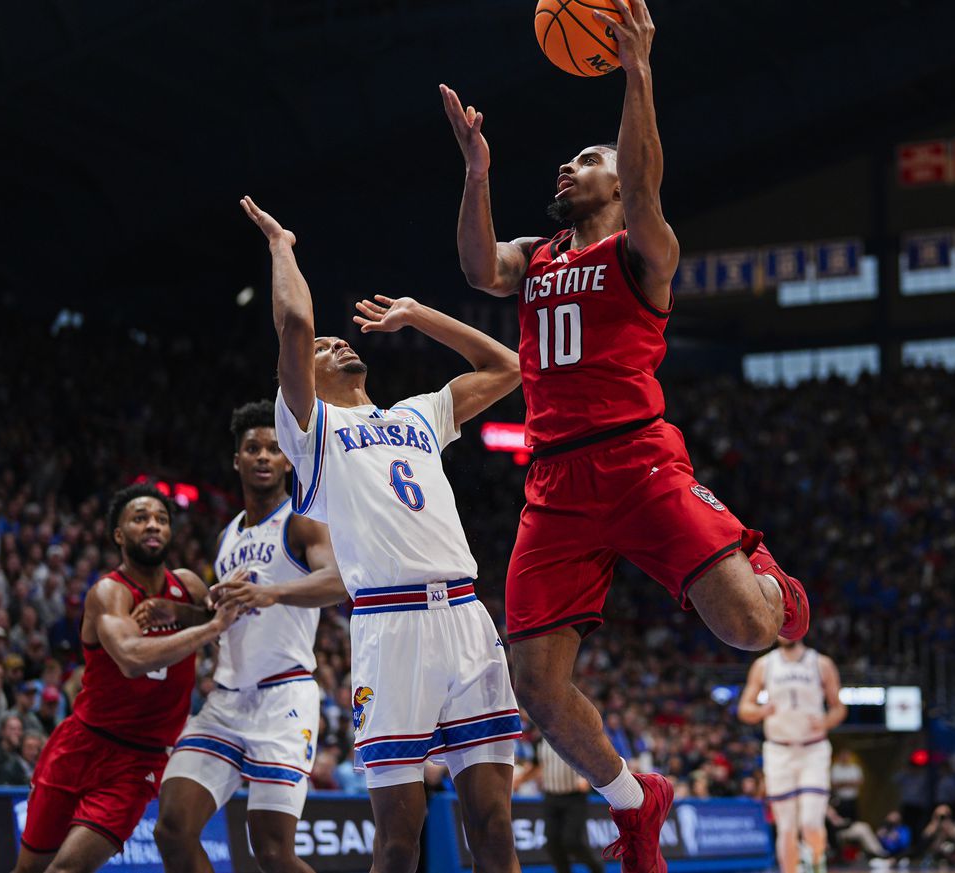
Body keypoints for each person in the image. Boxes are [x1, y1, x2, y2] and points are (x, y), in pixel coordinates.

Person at [441, 1, 809, 866]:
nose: (570, 167)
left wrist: (637, 75)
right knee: (536, 685)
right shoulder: (536, 255)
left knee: (755, 631)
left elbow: (644, 187)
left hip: (640, 462)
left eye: (588, 159)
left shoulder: (644, 253)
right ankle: (634, 802)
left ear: (615, 182)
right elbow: (472, 265)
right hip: (555, 485)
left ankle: (765, 568)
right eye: (569, 161)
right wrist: (476, 169)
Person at [243, 194, 523, 873]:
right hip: (389, 626)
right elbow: (295, 322)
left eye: (341, 339)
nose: (335, 342)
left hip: (464, 616)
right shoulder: (310, 434)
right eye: (323, 347)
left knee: (493, 826)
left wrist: (419, 314)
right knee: (400, 839)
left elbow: (508, 367)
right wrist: (282, 247)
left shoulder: (418, 415)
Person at [152, 399, 344, 873]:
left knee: (273, 852)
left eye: (273, 449)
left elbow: (338, 582)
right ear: (237, 459)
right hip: (227, 700)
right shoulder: (228, 536)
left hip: (285, 699)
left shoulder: (302, 520)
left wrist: (273, 593)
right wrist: (179, 611)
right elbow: (226, 616)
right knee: (172, 829)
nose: (263, 456)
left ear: (286, 461)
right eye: (252, 448)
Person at [11, 484, 240, 873]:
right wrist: (210, 625)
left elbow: (226, 631)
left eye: (161, 520)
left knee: (67, 870)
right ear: (119, 535)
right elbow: (132, 659)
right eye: (140, 519)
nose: (153, 526)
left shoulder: (187, 586)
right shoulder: (108, 593)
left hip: (139, 762)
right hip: (80, 745)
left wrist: (184, 614)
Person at [738, 638, 846, 873]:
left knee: (810, 823)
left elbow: (839, 707)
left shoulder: (820, 663)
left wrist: (826, 721)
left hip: (813, 750)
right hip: (779, 751)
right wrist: (761, 710)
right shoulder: (764, 665)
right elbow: (744, 708)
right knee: (786, 828)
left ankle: (817, 863)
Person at [516, 733, 604, 873]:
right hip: (551, 798)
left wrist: (587, 779)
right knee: (552, 843)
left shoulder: (576, 739)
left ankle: (597, 870)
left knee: (571, 841)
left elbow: (593, 761)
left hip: (574, 797)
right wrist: (519, 781)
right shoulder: (539, 741)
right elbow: (536, 765)